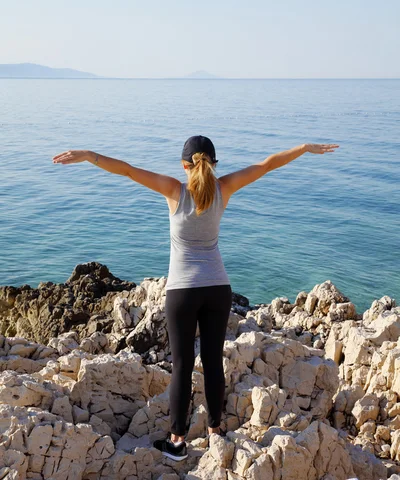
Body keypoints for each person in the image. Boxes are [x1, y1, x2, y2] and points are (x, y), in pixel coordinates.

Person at [52, 137, 339, 461]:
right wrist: (302, 149)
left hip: (182, 291)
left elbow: (128, 171)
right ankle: (216, 432)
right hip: (218, 288)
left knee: (182, 367)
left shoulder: (174, 190)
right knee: (213, 362)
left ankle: (177, 442)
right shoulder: (224, 188)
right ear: (214, 164)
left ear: (184, 165)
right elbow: (267, 164)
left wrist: (90, 155)